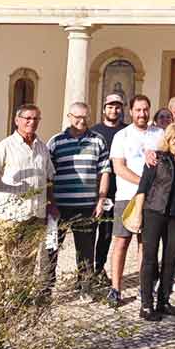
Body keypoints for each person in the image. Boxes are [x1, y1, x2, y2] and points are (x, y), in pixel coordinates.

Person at [0, 104, 56, 291]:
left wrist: (51, 206)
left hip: (35, 213)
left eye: (35, 119)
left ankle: (19, 299)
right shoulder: (4, 147)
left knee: (28, 260)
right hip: (10, 214)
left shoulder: (42, 148)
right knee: (2, 260)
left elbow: (49, 179)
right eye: (27, 118)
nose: (31, 122)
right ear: (17, 121)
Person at [45, 102, 110, 302]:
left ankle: (85, 286)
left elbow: (104, 172)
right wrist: (50, 202)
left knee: (85, 249)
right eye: (77, 117)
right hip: (59, 207)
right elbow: (48, 175)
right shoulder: (55, 142)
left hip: (86, 205)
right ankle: (46, 289)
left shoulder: (98, 141)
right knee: (51, 248)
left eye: (85, 117)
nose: (81, 121)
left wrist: (101, 200)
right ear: (69, 116)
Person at [107, 95, 164, 307]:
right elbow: (119, 167)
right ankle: (116, 287)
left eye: (145, 109)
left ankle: (144, 286)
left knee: (146, 245)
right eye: (138, 110)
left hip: (152, 198)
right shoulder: (122, 136)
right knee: (121, 242)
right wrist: (143, 183)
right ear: (131, 111)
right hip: (126, 196)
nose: (142, 114)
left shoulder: (159, 134)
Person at [135, 123, 175, 320]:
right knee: (150, 258)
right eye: (174, 138)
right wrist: (137, 214)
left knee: (170, 260)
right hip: (154, 212)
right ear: (168, 141)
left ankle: (163, 301)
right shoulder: (157, 159)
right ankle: (146, 305)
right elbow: (143, 187)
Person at [90, 93, 126, 282]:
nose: (114, 110)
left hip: (116, 190)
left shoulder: (126, 131)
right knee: (90, 231)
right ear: (104, 108)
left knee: (106, 232)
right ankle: (86, 271)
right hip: (94, 190)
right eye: (110, 107)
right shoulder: (94, 132)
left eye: (117, 107)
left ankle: (99, 267)